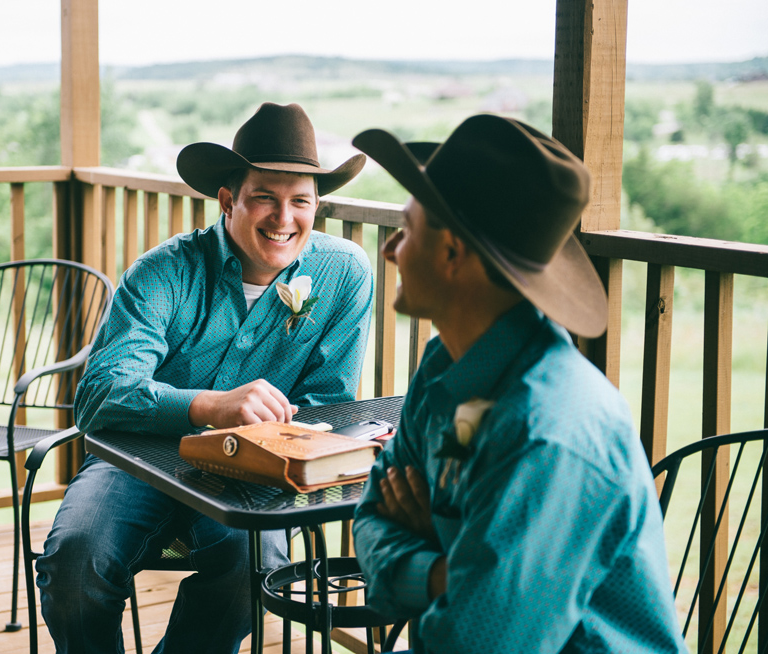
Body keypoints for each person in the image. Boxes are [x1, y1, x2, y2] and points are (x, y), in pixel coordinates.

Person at [35, 102, 373, 654]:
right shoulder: (162, 271)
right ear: (227, 200)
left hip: (256, 470)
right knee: (74, 560)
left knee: (254, 572)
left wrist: (265, 443)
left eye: (301, 202)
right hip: (138, 459)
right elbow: (99, 398)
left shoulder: (345, 273)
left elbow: (327, 404)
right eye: (265, 196)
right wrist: (209, 407)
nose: (283, 218)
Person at [349, 114, 687, 653]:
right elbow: (372, 516)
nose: (390, 249)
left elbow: (473, 644)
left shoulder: (550, 432)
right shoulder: (445, 369)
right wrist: (451, 574)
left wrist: (432, 564)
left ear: (453, 253)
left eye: (408, 229)